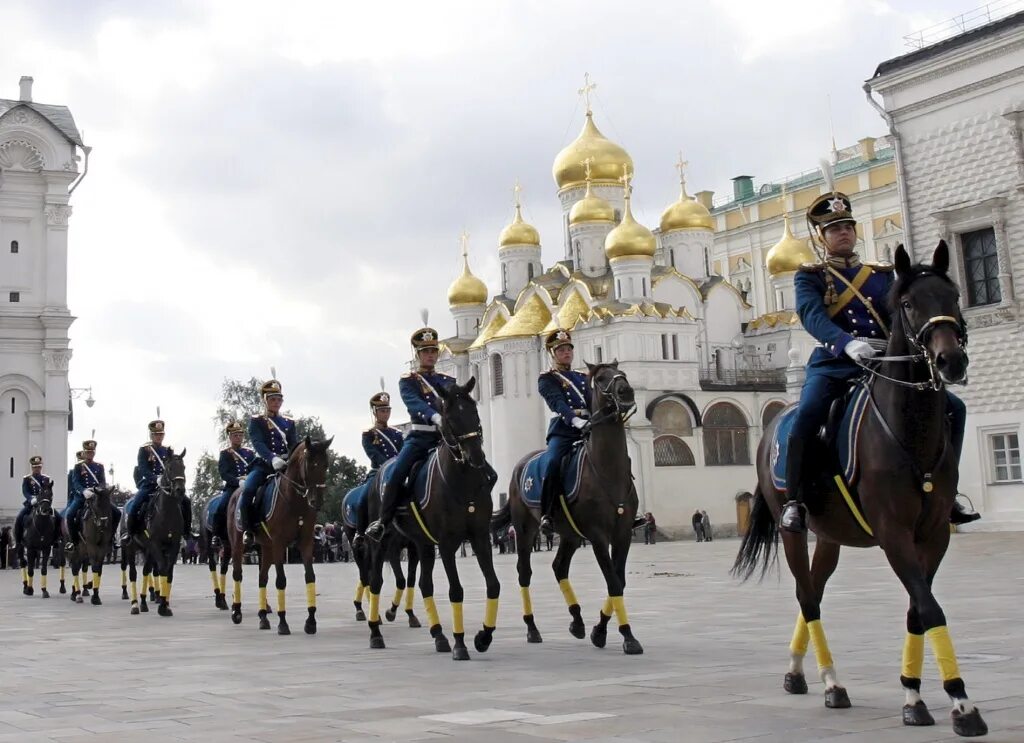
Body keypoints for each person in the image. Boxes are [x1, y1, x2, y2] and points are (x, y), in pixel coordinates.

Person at [780, 191, 979, 532]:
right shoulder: (810, 276)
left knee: (954, 408)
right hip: (835, 362)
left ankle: (949, 492)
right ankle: (795, 501)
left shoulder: (881, 274)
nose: (843, 233)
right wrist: (845, 343)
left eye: (847, 226)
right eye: (834, 228)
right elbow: (812, 316)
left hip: (887, 360)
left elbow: (902, 316)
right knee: (808, 414)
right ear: (821, 237)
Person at [365, 323, 455, 542]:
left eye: (434, 351)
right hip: (421, 437)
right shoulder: (409, 381)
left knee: (481, 467)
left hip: (446, 438)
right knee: (396, 473)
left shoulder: (447, 380)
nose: (431, 355)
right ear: (418, 354)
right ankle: (383, 522)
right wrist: (433, 416)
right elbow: (413, 402)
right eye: (426, 351)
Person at [240, 379, 298, 547]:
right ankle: (248, 530)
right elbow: (258, 443)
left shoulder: (288, 422)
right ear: (265, 400)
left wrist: (290, 459)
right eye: (272, 399)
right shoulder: (257, 421)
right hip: (264, 465)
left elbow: (294, 444)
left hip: (285, 465)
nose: (276, 403)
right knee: (249, 490)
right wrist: (272, 457)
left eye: (279, 399)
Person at [211, 420, 255, 546]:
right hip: (233, 486)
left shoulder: (249, 453)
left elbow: (254, 467)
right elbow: (224, 473)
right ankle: (216, 535)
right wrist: (237, 481)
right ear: (230, 437)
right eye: (235, 435)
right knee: (222, 506)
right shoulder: (225, 454)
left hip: (249, 483)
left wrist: (250, 478)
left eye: (240, 435)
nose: (238, 437)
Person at [66, 440, 107, 551]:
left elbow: (102, 481)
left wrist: (98, 489)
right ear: (84, 452)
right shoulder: (78, 466)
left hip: (96, 495)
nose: (90, 454)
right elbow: (75, 482)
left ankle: (111, 540)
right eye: (88, 452)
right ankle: (73, 542)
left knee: (116, 512)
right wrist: (84, 491)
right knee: (69, 515)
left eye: (92, 452)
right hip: (82, 497)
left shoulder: (99, 466)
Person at [14, 456, 53, 547]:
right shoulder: (27, 478)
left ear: (41, 467)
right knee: (19, 518)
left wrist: (43, 499)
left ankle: (56, 539)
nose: (37, 469)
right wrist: (31, 499)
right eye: (35, 467)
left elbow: (48, 490)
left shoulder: (46, 478)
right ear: (32, 467)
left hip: (43, 503)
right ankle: (18, 541)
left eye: (39, 467)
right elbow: (25, 491)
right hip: (31, 504)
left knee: (57, 517)